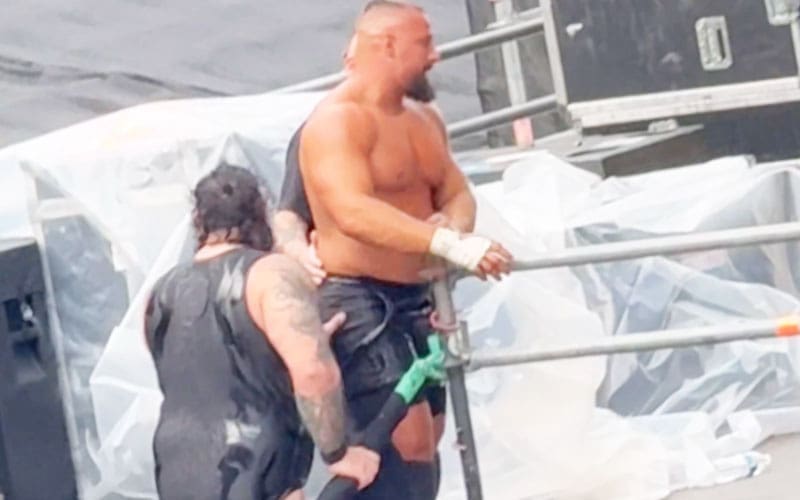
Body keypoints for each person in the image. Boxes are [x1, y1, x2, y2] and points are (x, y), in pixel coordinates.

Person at [291, 2, 513, 499]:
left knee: (430, 434)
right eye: (425, 44)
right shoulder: (335, 122)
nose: (436, 56)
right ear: (387, 47)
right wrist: (445, 242)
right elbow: (351, 210)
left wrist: (452, 226)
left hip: (419, 293)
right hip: (359, 295)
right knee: (405, 436)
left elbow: (457, 192)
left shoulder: (426, 118)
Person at [143, 164, 380, 500]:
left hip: (177, 470)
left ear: (198, 220)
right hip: (256, 468)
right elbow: (313, 371)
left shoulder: (159, 293)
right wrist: (338, 453)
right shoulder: (272, 274)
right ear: (261, 213)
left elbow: (202, 369)